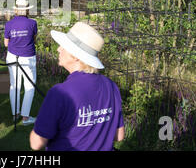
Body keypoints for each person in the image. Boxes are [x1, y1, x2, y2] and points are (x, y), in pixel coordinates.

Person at [30, 22, 125, 151]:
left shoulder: (60, 93)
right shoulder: (112, 86)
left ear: (75, 56)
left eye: (63, 46)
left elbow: (36, 143)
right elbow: (118, 135)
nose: (58, 49)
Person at [4, 0, 38, 126]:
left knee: (15, 85)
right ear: (27, 10)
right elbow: (34, 39)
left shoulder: (9, 24)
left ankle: (15, 114)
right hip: (28, 56)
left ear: (16, 10)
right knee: (29, 86)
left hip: (13, 56)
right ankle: (25, 117)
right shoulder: (32, 23)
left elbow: (6, 44)